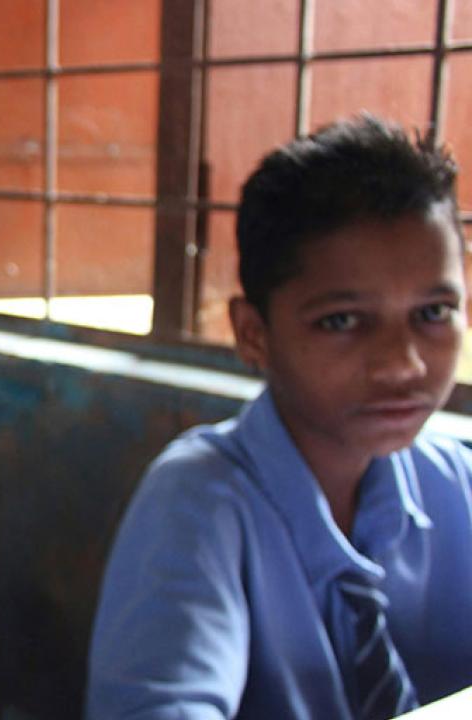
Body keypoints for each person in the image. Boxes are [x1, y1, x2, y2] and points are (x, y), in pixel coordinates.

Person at [86, 115, 472, 719]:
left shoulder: (458, 485)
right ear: (253, 333)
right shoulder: (200, 504)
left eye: (434, 312)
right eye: (342, 320)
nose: (402, 364)